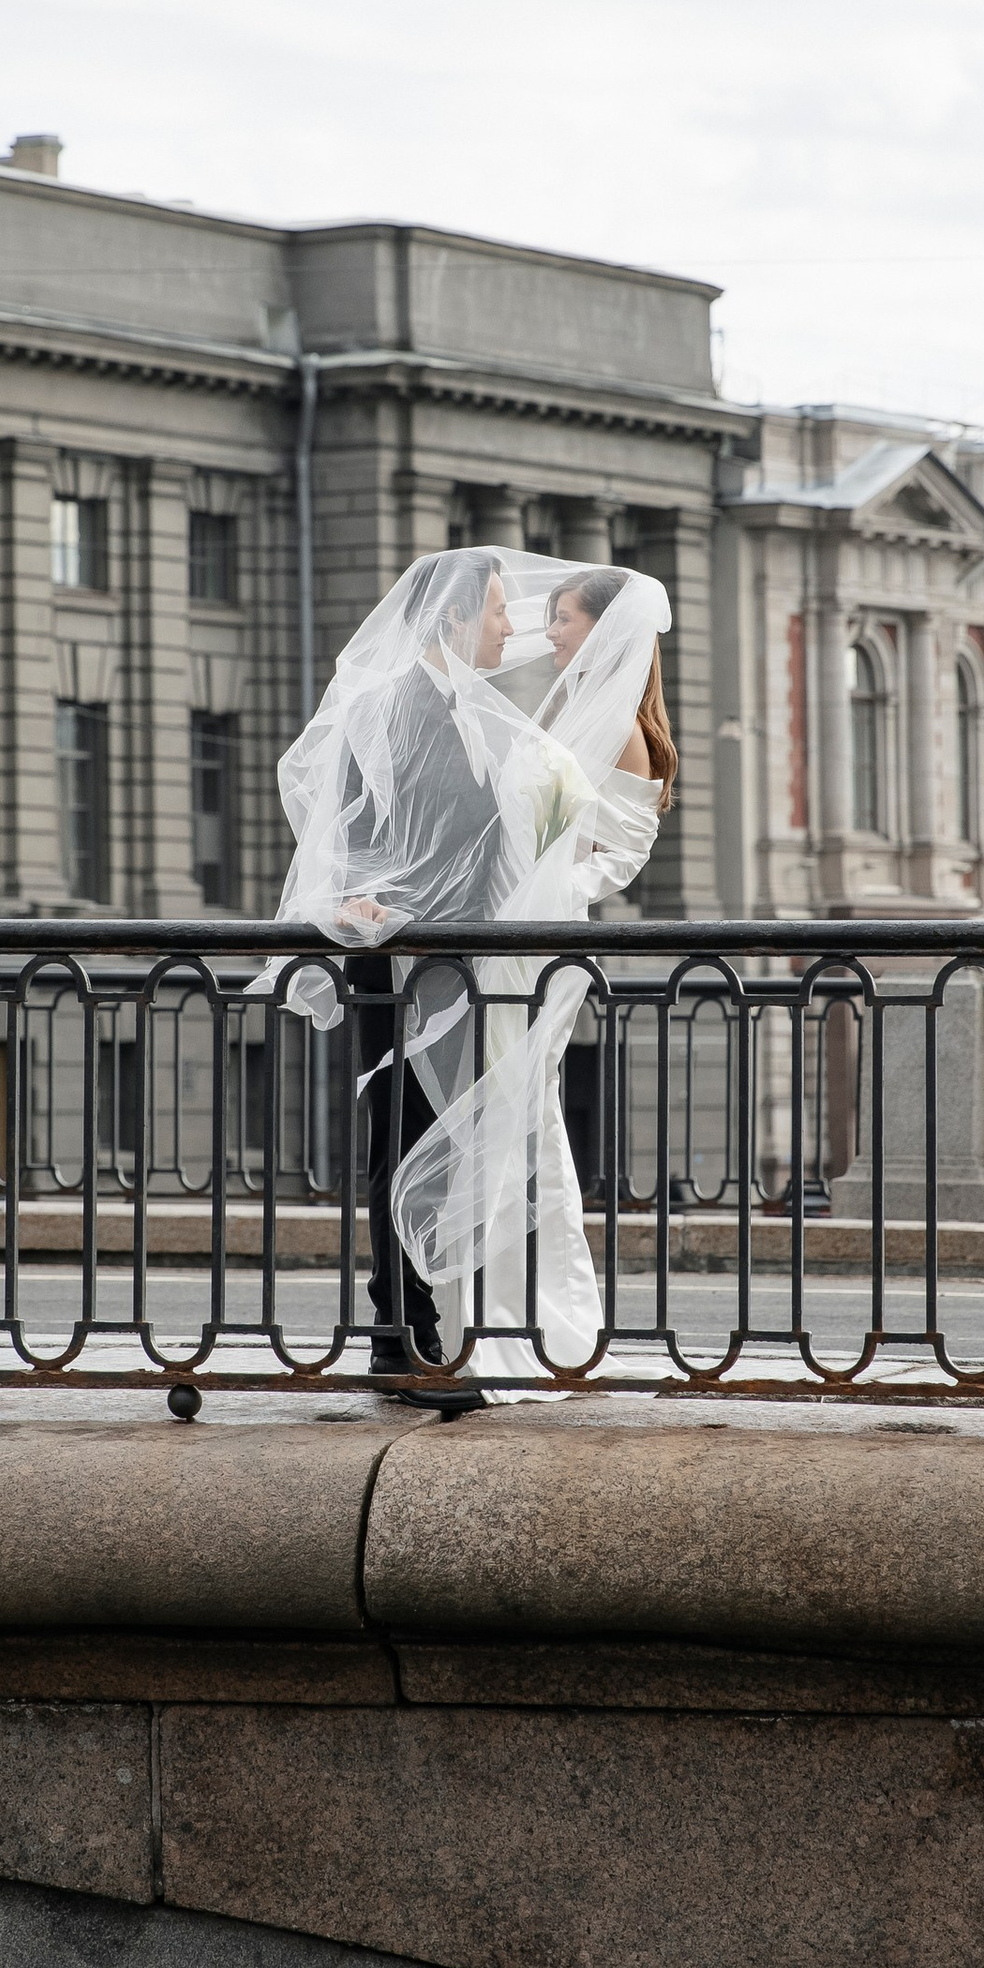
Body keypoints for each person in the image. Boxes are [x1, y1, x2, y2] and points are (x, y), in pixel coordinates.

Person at [387, 559, 674, 1373]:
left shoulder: (621, 728)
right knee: (502, 1123)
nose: (545, 633)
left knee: (516, 1126)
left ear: (604, 631)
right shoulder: (560, 710)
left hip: (535, 944)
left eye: (563, 620)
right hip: (501, 937)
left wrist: (538, 892)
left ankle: (518, 1330)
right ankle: (498, 1324)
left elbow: (616, 858)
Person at [269, 549, 526, 1387]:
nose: (507, 624)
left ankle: (418, 1325)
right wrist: (357, 899)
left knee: (440, 1137)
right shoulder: (391, 704)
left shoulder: (470, 709)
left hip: (454, 963)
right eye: (494, 608)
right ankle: (396, 1334)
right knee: (405, 1135)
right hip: (399, 962)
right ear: (453, 616)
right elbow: (341, 821)